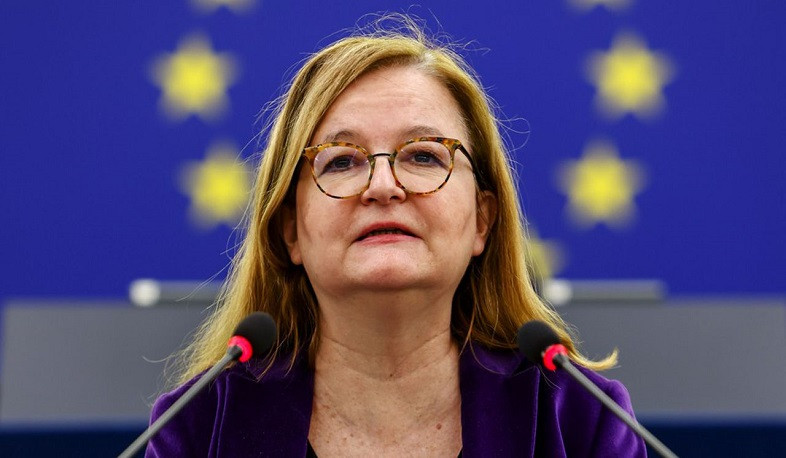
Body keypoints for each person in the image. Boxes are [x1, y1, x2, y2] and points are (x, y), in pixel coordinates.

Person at [146, 15, 647, 457]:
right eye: (342, 161)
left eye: (424, 155)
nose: (383, 186)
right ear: (290, 230)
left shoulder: (580, 420)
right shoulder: (197, 427)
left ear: (482, 220)